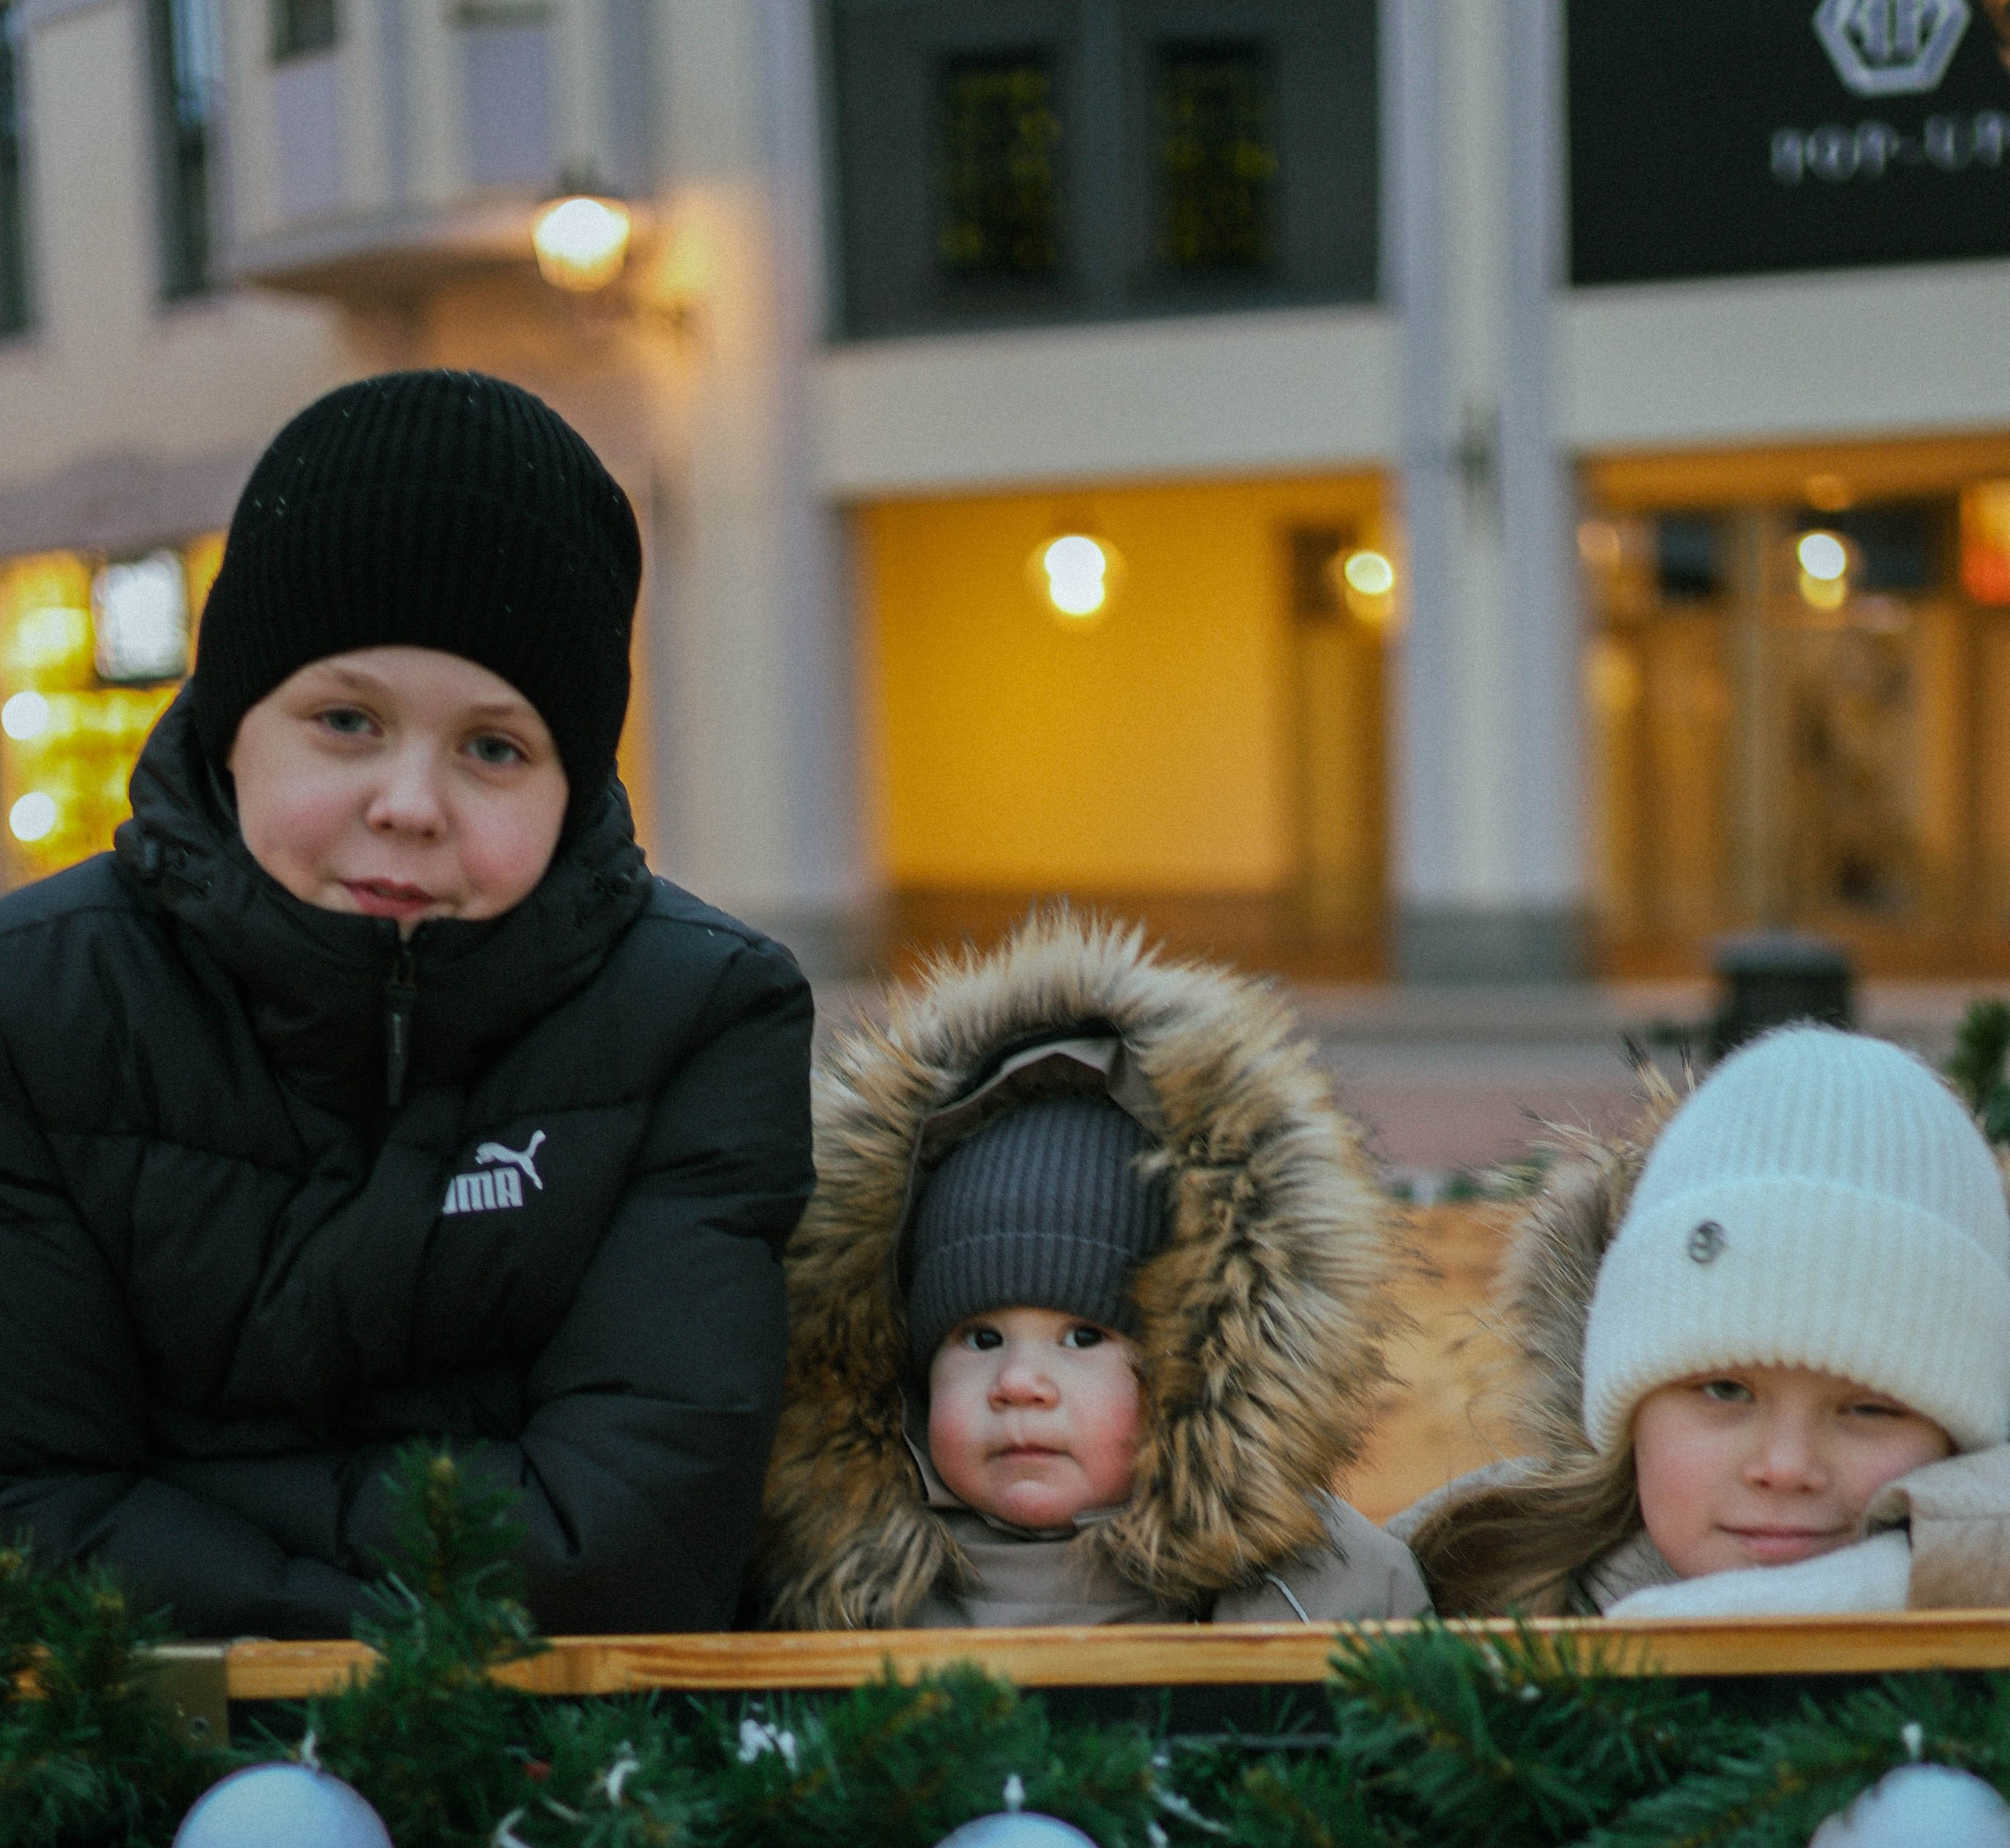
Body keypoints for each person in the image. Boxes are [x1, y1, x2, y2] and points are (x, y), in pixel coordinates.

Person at [0, 371, 813, 1638]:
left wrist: (182, 1497)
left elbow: (632, 1547)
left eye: (494, 747)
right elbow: (27, 1515)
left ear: (572, 775)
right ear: (232, 724)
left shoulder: (701, 1015)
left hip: (564, 1792)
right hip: (122, 1776)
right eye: (346, 720)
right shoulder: (33, 1001)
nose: (412, 803)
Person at [757, 910, 1426, 1628]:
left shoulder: (1318, 1592)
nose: (1019, 1386)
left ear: (1193, 1379)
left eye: (1083, 1337)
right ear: (906, 1378)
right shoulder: (844, 1592)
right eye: (981, 1338)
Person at [1394, 1024, 2010, 1620]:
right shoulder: (1461, 1577)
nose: (1786, 1468)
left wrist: (1912, 1575)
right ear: (1627, 1411)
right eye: (1724, 1390)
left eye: (1871, 1408)